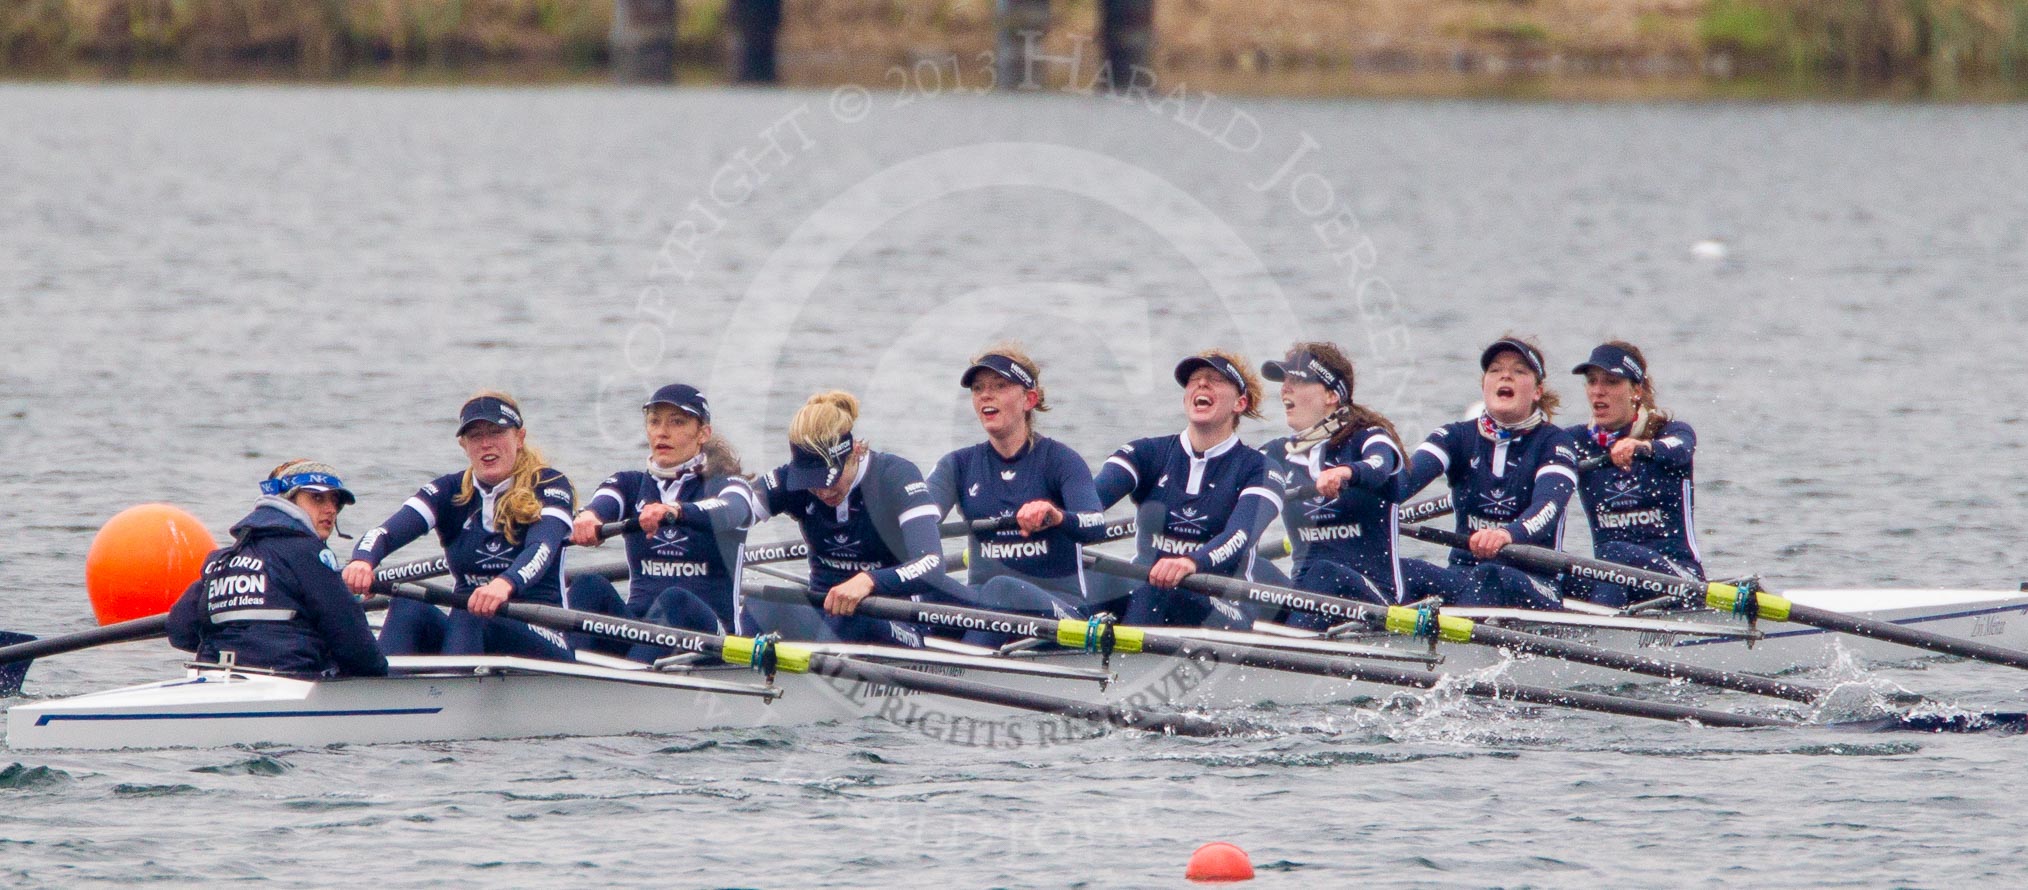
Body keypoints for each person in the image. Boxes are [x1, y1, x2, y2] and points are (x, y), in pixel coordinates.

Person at [342, 392, 576, 659]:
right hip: (470, 629)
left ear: (519, 438)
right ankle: (381, 693)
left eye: (496, 432)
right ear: (463, 445)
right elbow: (383, 533)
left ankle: (450, 692)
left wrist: (505, 584)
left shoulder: (550, 485)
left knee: (472, 611)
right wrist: (362, 561)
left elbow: (541, 548)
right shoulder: (448, 491)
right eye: (476, 436)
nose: (486, 444)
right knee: (408, 603)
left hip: (543, 633)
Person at [747, 391, 971, 645]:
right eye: (812, 483)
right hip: (827, 614)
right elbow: (727, 518)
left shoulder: (895, 476)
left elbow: (931, 564)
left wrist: (869, 581)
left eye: (828, 480)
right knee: (759, 605)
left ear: (853, 451)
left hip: (895, 618)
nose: (823, 491)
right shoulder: (789, 480)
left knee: (853, 617)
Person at [926, 345, 1109, 636]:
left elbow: (1096, 524)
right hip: (985, 606)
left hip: (1059, 612)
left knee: (1001, 588)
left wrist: (1056, 515)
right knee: (923, 588)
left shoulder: (1061, 460)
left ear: (1029, 399)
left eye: (1000, 386)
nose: (986, 395)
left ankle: (963, 670)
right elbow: (917, 519)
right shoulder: (957, 465)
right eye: (978, 388)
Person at [1093, 350, 1282, 628]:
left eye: (1216, 379)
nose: (1202, 384)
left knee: (1163, 584)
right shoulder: (1145, 453)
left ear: (1240, 403)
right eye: (1194, 380)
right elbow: (1087, 502)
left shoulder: (1260, 469)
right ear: (1185, 399)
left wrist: (1191, 562)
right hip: (1149, 591)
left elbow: (1239, 536)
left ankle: (1124, 662)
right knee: (1093, 578)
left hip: (1226, 604)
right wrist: (1053, 515)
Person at [569, 383, 756, 659]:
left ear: (703, 433)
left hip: (711, 639)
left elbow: (732, 510)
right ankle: (564, 678)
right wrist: (588, 518)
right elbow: (603, 503)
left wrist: (676, 511)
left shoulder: (730, 486)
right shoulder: (629, 484)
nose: (662, 432)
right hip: (639, 631)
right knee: (587, 586)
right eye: (654, 422)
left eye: (677, 422)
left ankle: (628, 687)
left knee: (675, 599)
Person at [1396, 336, 1579, 610]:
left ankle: (1454, 645)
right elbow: (1400, 483)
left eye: (1519, 371)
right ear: (1484, 385)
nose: (1505, 375)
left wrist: (1507, 534)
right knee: (1402, 569)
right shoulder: (1455, 436)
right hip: (1463, 574)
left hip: (1534, 581)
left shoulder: (1555, 443)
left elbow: (1547, 507)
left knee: (1490, 575)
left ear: (1537, 391)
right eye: (1495, 370)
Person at [168, 460, 388, 677]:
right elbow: (355, 643)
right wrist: (379, 673)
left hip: (216, 678)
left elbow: (180, 630)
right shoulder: (308, 554)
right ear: (288, 499)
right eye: (317, 498)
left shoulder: (221, 561)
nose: (330, 509)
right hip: (290, 680)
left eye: (336, 502)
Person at [1256, 343, 1407, 623]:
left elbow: (1379, 466)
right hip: (1305, 598)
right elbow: (1232, 477)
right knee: (1248, 566)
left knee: (1325, 572)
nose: (1285, 388)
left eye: (1298, 380)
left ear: (1331, 395)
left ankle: (1287, 648)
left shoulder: (1369, 438)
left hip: (1371, 603)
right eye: (1284, 381)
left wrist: (1345, 473)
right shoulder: (1277, 453)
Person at [1563, 341, 1703, 607]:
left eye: (1611, 382)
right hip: (1614, 579)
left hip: (1678, 581)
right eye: (1592, 382)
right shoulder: (1576, 442)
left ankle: (1599, 637)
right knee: (1548, 570)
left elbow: (1682, 448)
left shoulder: (1671, 433)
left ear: (1636, 391)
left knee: (1613, 553)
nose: (1598, 391)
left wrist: (1643, 447)